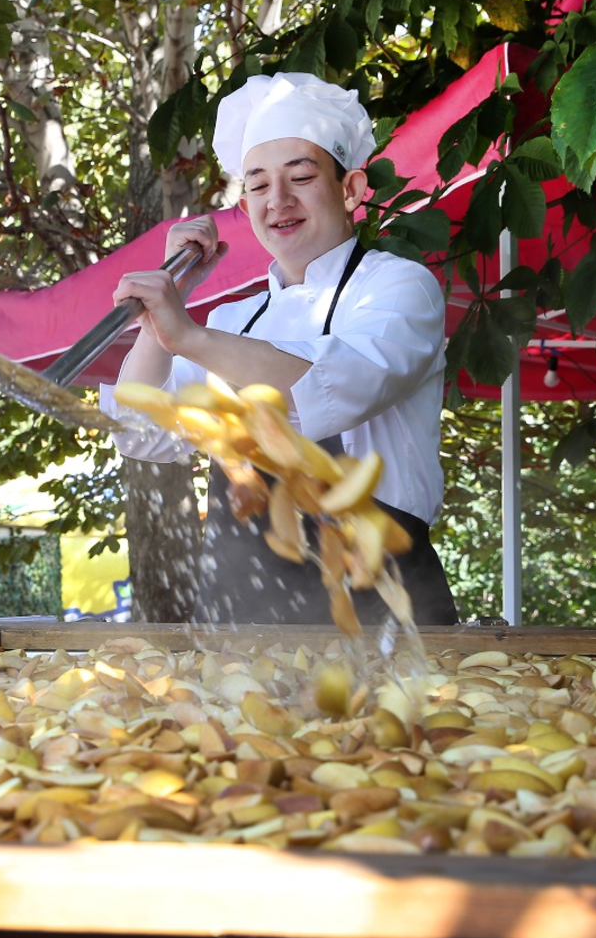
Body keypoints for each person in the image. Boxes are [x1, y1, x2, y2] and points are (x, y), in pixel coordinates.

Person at [104, 71, 459, 627]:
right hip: (239, 616)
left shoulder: (398, 288)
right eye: (259, 185)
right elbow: (140, 428)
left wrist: (191, 337)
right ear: (245, 208)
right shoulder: (232, 320)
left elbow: (337, 384)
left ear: (351, 189)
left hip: (378, 609)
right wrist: (161, 320)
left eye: (300, 177)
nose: (279, 201)